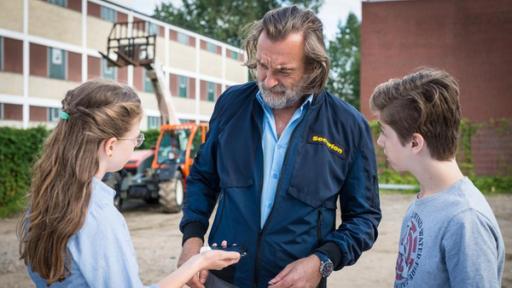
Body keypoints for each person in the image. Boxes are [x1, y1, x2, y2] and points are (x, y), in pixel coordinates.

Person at [178, 6, 381, 288]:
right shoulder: (230, 105)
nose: (268, 80)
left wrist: (322, 261)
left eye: (283, 71)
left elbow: (364, 218)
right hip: (223, 279)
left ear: (313, 67)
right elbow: (203, 177)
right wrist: (191, 240)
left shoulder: (349, 126)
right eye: (262, 65)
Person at [18, 80, 240, 288]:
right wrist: (199, 262)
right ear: (111, 146)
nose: (136, 144)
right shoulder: (98, 216)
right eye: (136, 137)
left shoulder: (43, 202)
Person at [369, 68, 505, 287]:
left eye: (384, 132)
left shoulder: (466, 221)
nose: (380, 142)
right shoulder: (425, 198)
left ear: (415, 143)